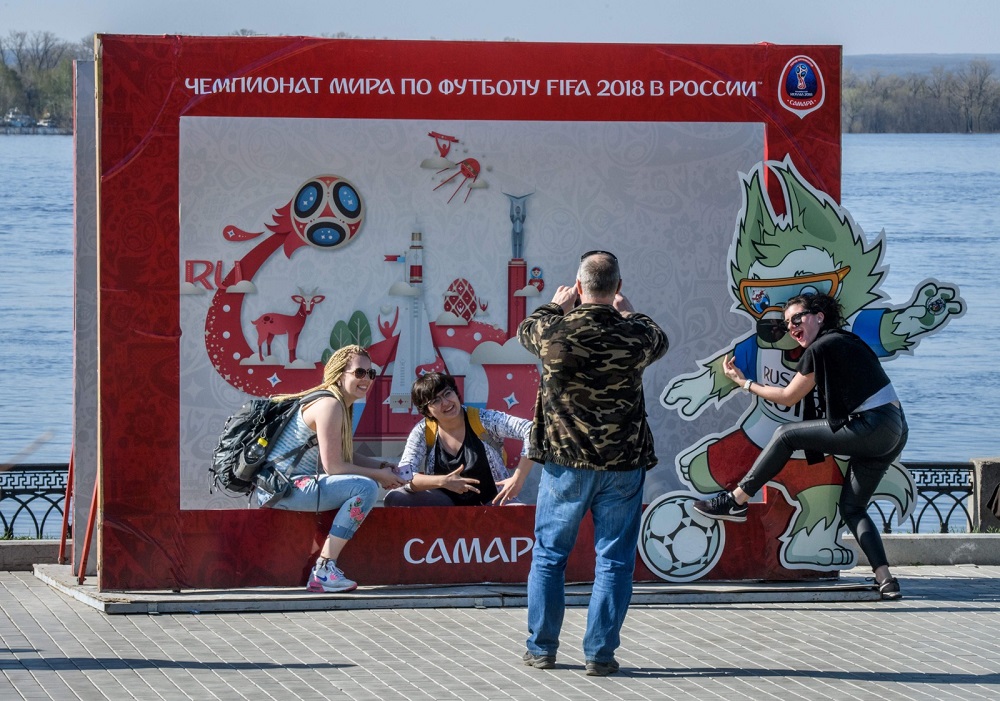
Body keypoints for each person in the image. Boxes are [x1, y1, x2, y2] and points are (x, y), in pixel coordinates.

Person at [693, 292, 908, 600]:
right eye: (785, 324)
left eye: (797, 319)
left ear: (819, 316)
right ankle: (886, 579)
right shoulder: (848, 341)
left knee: (785, 434)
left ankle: (736, 500)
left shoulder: (821, 346)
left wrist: (743, 382)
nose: (791, 328)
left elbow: (788, 397)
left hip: (872, 425)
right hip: (895, 427)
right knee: (852, 507)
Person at [517, 250, 668, 676]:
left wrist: (556, 304)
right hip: (623, 465)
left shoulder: (553, 333)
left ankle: (542, 648)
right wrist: (630, 312)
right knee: (615, 561)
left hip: (566, 464)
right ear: (617, 288)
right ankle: (600, 655)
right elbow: (658, 337)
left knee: (549, 557)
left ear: (580, 287)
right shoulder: (634, 335)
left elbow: (525, 328)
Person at [257, 344, 404, 593]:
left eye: (371, 374)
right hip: (282, 487)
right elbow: (334, 467)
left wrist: (382, 465)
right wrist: (379, 476)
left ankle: (325, 569)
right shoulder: (330, 405)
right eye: (359, 373)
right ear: (339, 374)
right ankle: (323, 570)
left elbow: (345, 455)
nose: (366, 379)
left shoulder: (337, 404)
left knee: (364, 483)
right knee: (365, 488)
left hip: (286, 485)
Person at [383, 372, 534, 507]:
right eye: (435, 401)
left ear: (456, 393)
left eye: (447, 393)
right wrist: (443, 481)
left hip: (493, 501)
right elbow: (404, 476)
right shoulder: (423, 430)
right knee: (395, 497)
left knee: (518, 512)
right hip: (444, 508)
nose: (446, 403)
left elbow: (532, 430)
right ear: (426, 411)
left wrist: (518, 478)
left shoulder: (483, 420)